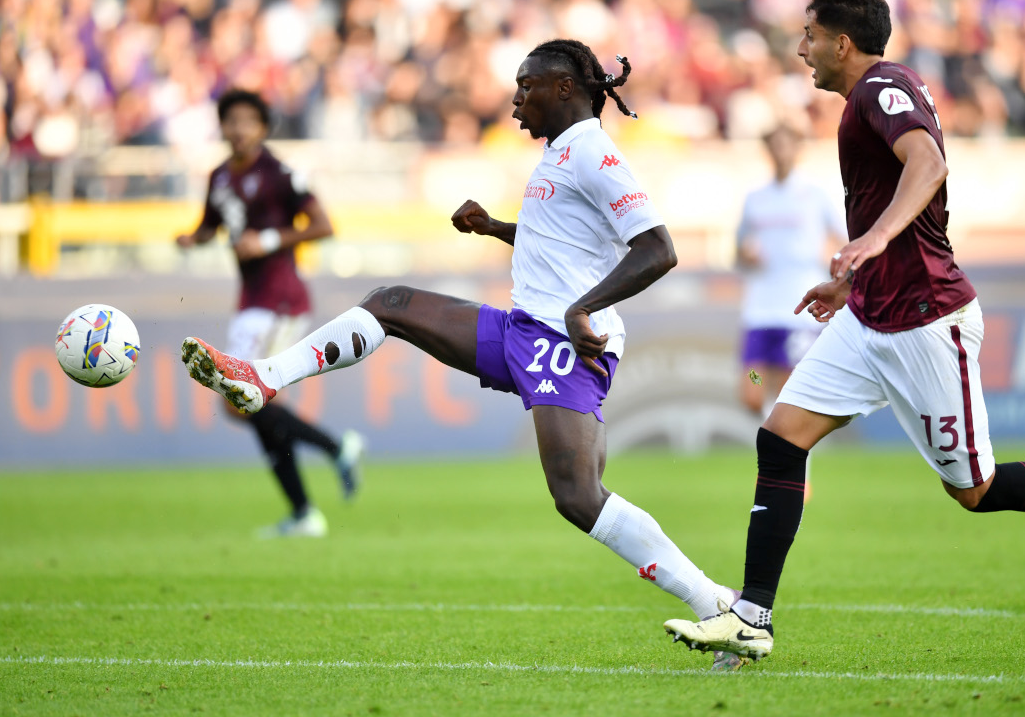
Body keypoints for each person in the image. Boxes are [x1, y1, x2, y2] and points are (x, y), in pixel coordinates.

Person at [663, 0, 1025, 666]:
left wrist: (872, 241)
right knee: (781, 438)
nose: (801, 48)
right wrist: (851, 276)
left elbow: (929, 163)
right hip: (869, 316)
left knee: (975, 489)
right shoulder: (867, 98)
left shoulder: (881, 88)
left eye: (810, 35)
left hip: (929, 320)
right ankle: (753, 615)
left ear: (842, 42)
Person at [179, 40, 738, 637]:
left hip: (561, 342)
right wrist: (494, 228)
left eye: (528, 86)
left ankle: (718, 604)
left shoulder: (594, 154)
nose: (516, 99)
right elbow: (567, 243)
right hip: (526, 328)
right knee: (391, 304)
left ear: (566, 89)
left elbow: (658, 250)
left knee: (578, 497)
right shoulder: (561, 152)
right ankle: (262, 376)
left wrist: (584, 309)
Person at [177, 88, 365, 539]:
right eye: (231, 120)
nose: (238, 129)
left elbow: (323, 225)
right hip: (251, 301)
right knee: (247, 402)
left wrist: (264, 242)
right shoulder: (219, 176)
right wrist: (192, 239)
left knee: (243, 398)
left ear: (262, 129)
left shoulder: (280, 173)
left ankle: (334, 451)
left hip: (280, 300)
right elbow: (209, 227)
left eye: (248, 121)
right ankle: (306, 508)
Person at [735, 125, 845, 419]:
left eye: (786, 144)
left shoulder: (814, 194)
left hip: (797, 308)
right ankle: (775, 440)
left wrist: (833, 269)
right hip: (759, 308)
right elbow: (737, 251)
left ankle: (787, 457)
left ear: (798, 148)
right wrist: (745, 256)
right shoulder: (755, 198)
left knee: (789, 395)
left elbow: (846, 239)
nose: (780, 150)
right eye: (774, 145)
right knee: (753, 389)